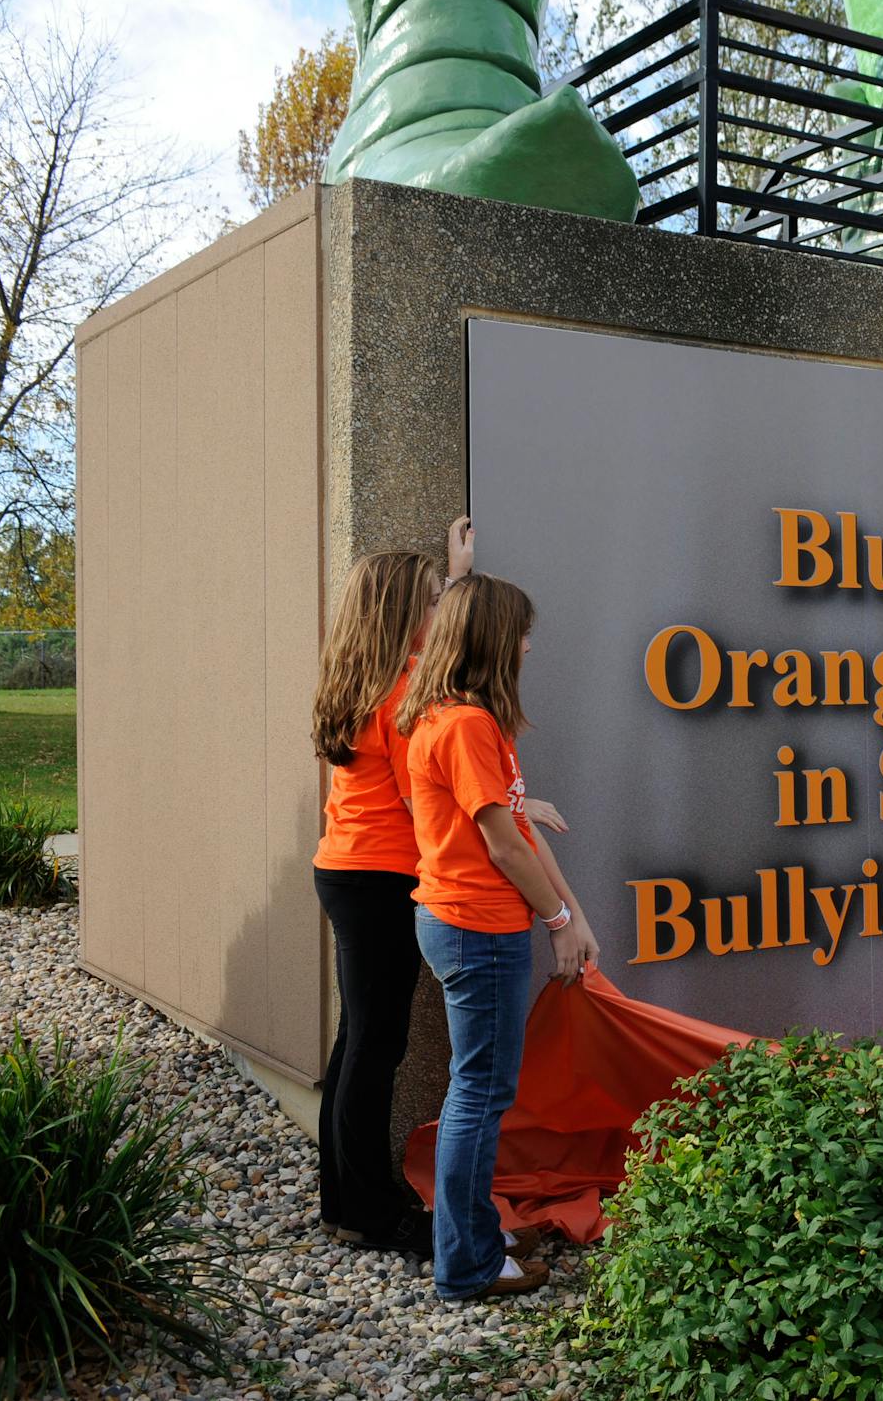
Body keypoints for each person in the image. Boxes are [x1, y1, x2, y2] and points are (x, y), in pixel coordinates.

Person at [398, 573, 600, 1300]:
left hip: (467, 923)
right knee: (479, 1095)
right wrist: (558, 923)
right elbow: (505, 845)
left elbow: (511, 822)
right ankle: (468, 1264)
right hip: (479, 928)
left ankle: (473, 1232)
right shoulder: (466, 725)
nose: (526, 644)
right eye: (519, 632)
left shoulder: (462, 718)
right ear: (489, 641)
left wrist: (569, 913)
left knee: (477, 1091)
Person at [310, 520, 471, 1256]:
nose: (441, 612)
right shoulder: (404, 691)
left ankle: (345, 1199)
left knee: (358, 1042)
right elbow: (426, 798)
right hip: (380, 878)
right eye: (434, 600)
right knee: (377, 1045)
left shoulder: (359, 678)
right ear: (405, 613)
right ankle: (373, 1212)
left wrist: (460, 579)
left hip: (347, 869)